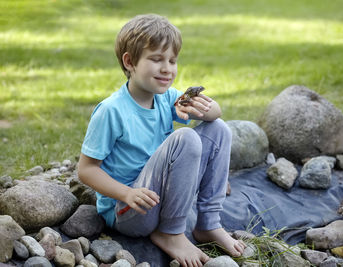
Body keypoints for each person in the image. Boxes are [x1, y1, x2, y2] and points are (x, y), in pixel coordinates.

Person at [78, 14, 246, 267]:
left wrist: (195, 107)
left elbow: (216, 113)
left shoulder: (167, 98)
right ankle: (171, 233)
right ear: (130, 61)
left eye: (172, 60)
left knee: (219, 128)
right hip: (131, 210)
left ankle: (208, 224)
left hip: (163, 200)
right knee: (185, 137)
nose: (167, 68)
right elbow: (86, 170)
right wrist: (127, 193)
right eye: (156, 59)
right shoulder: (111, 111)